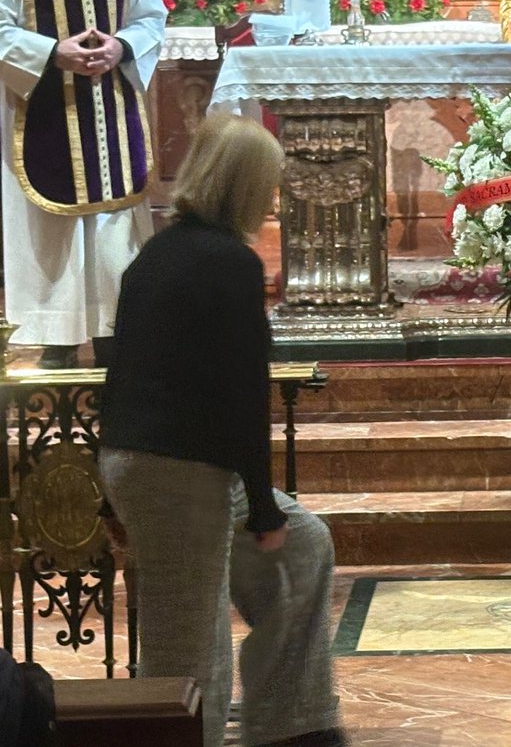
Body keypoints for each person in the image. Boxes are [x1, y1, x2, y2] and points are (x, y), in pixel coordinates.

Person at [99, 115, 345, 747]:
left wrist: (110, 488)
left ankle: (292, 725)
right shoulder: (228, 262)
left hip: (165, 462)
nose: (274, 198)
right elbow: (243, 399)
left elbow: (119, 367)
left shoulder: (158, 252)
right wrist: (261, 508)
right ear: (242, 185)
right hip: (174, 469)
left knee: (304, 547)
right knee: (190, 646)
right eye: (267, 184)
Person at [0, 0, 166, 370]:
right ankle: (58, 337)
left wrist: (121, 47)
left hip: (111, 114)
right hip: (44, 114)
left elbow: (150, 16)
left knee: (115, 227)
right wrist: (54, 52)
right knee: (53, 229)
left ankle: (118, 331)